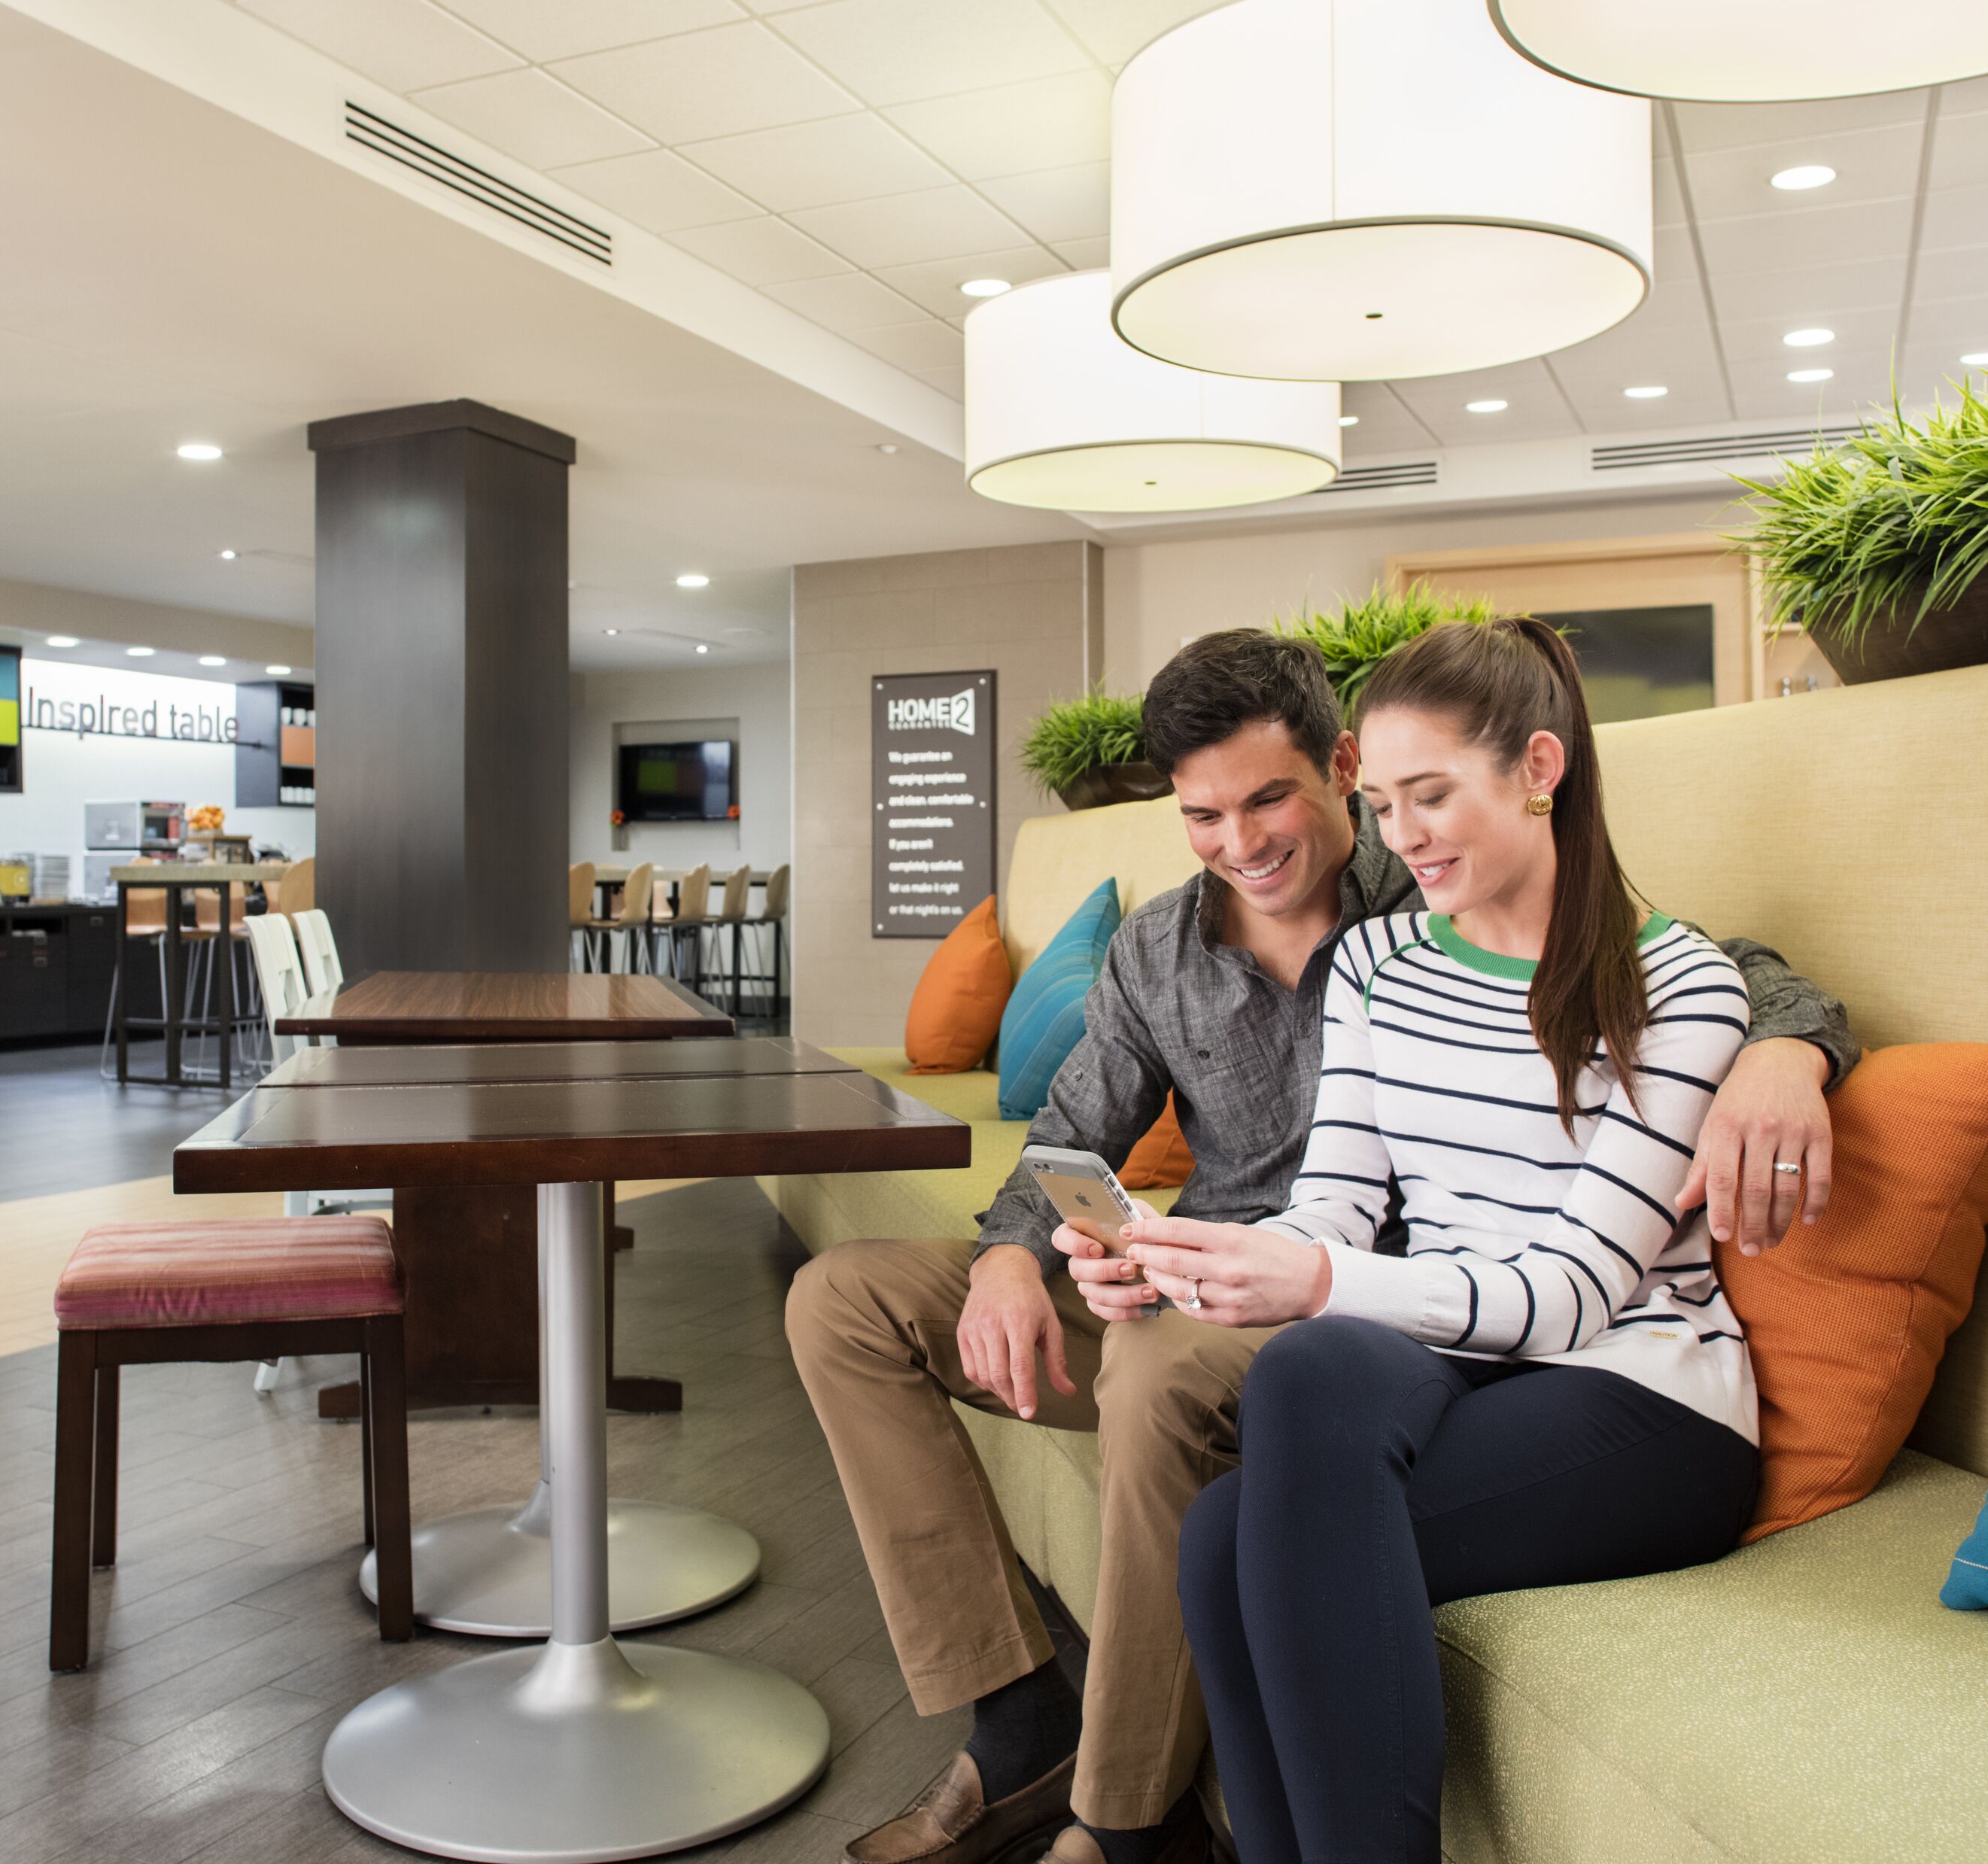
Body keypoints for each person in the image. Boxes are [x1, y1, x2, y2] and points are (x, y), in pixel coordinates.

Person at [786, 628, 1852, 1864]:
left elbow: (1701, 977)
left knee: (1195, 1409)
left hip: (1458, 1321)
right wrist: (1070, 1256)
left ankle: (1122, 1826)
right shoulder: (1292, 960)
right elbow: (1153, 1155)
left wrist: (1792, 1049)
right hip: (1310, 1293)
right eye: (1203, 815)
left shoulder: (1496, 915)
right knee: (859, 1304)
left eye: (1274, 799)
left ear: (1336, 767)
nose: (1244, 843)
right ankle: (1027, 1716)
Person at [1137, 618, 1762, 1862]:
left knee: (1250, 1504)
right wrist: (1206, 1261)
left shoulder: (1679, 989)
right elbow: (1335, 1204)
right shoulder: (1375, 963)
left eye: (1433, 797)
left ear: (1540, 769)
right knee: (1250, 1474)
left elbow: (1576, 1293)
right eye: (1382, 805)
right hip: (1466, 1356)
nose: (1402, 836)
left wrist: (1317, 1278)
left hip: (1645, 1399)